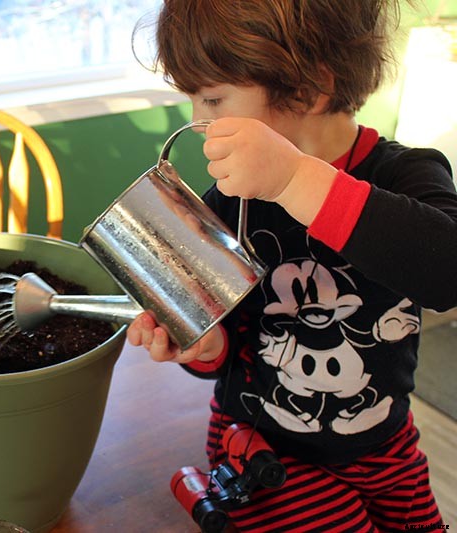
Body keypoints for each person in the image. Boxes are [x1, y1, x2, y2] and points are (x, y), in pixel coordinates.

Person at [127, 0, 457, 531]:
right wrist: (206, 346)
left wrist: (293, 180)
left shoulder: (405, 175)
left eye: (212, 98)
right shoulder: (227, 203)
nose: (198, 121)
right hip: (264, 447)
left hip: (384, 442)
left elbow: (446, 273)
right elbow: (222, 345)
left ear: (309, 86)